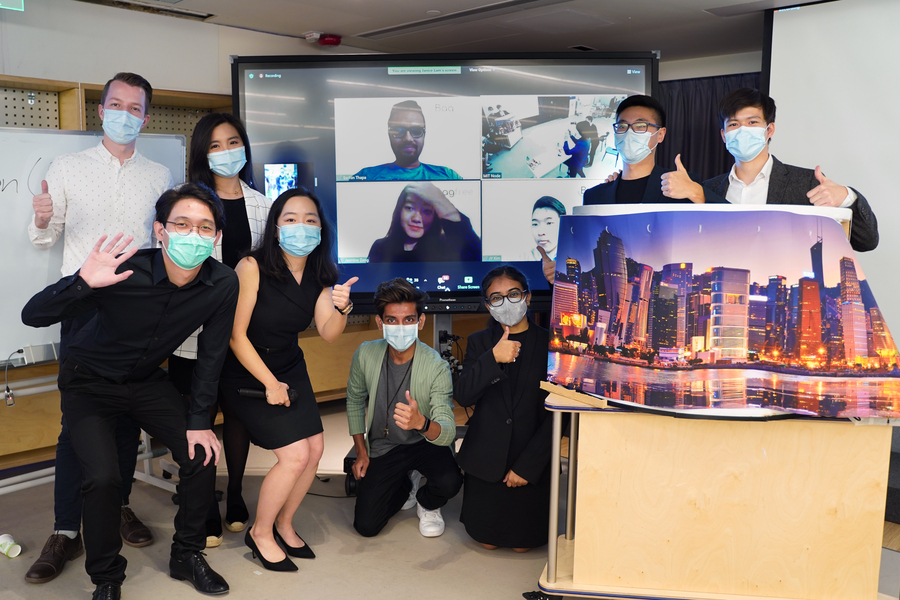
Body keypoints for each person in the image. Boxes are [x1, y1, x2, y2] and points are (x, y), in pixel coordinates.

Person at [22, 183, 238, 600]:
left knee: (202, 452)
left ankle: (186, 555)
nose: (193, 235)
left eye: (204, 227)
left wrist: (199, 423)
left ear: (217, 238)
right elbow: (33, 315)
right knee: (102, 477)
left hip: (143, 379)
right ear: (160, 230)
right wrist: (83, 282)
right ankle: (107, 577)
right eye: (182, 224)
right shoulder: (125, 270)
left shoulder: (223, 282)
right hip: (88, 382)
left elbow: (212, 357)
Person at [24, 72, 173, 584]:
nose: (124, 114)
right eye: (116, 104)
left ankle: (120, 506)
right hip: (83, 309)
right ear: (102, 109)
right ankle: (67, 529)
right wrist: (42, 218)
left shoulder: (159, 175)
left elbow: (163, 244)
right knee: (76, 429)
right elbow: (44, 240)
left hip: (139, 313)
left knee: (127, 421)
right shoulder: (68, 167)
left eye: (135, 108)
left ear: (145, 117)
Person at [219, 188, 355, 571]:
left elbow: (329, 332)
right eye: (291, 218)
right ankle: (260, 532)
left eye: (310, 219)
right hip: (246, 368)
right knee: (294, 455)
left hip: (289, 365)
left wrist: (343, 307)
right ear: (276, 226)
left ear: (321, 229)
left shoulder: (318, 274)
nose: (301, 227)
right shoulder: (252, 265)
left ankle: (284, 522)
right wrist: (269, 384)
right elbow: (236, 336)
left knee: (314, 450)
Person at [166, 112, 272, 546]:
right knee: (198, 415)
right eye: (214, 145)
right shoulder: (186, 203)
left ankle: (235, 493)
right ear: (201, 154)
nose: (226, 152)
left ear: (244, 148)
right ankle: (204, 501)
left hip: (244, 332)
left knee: (238, 416)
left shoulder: (264, 204)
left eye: (233, 142)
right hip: (192, 329)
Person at [668, 88, 877, 252]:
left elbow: (866, 242)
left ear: (770, 130)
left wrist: (847, 197)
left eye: (752, 122)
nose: (742, 130)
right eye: (734, 124)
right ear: (724, 135)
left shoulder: (806, 183)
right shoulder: (708, 189)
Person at [346, 278, 463, 538]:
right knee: (366, 526)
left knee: (450, 482)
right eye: (392, 320)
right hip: (384, 445)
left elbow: (447, 432)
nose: (401, 327)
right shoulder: (365, 354)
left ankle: (427, 501)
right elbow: (354, 400)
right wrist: (361, 452)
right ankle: (405, 483)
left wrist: (421, 423)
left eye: (409, 320)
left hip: (425, 443)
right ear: (380, 323)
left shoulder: (436, 366)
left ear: (420, 322)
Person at [454, 266, 557, 551]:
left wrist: (529, 466)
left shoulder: (552, 343)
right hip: (485, 460)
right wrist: (493, 359)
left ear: (528, 297)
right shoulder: (478, 342)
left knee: (524, 544)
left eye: (513, 294)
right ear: (488, 305)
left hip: (530, 460)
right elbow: (463, 395)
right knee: (485, 541)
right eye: (496, 297)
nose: (506, 302)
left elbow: (560, 412)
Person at [582, 95, 715, 206]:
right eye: (622, 126)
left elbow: (730, 226)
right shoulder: (594, 196)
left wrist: (696, 192)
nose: (629, 132)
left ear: (660, 134)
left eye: (640, 125)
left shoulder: (682, 185)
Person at [367, 182, 481, 263]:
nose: (416, 218)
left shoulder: (446, 247)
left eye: (426, 211)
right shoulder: (380, 247)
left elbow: (475, 257)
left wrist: (440, 200)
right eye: (409, 208)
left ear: (435, 216)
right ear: (399, 210)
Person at [351, 100, 462, 181]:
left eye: (416, 130)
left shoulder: (448, 176)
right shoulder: (365, 177)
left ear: (424, 134)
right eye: (398, 131)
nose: (408, 138)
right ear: (389, 135)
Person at [524, 196, 565, 261]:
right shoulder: (525, 258)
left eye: (549, 223)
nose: (541, 232)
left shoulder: (572, 259)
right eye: (535, 224)